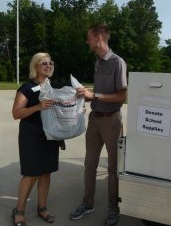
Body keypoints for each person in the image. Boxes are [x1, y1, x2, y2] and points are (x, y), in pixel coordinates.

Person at [70, 23, 127, 226]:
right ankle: (88, 203)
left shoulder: (118, 62)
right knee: (89, 165)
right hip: (94, 119)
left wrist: (94, 95)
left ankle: (113, 209)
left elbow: (122, 95)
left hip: (112, 121)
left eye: (89, 37)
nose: (87, 41)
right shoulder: (97, 62)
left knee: (113, 170)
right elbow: (99, 92)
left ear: (100, 37)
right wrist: (86, 95)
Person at [11, 52, 60, 226]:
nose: (48, 66)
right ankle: (19, 211)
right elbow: (16, 113)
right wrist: (37, 107)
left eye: (50, 63)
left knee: (46, 173)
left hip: (50, 135)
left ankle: (42, 208)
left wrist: (73, 112)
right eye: (44, 63)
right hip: (31, 135)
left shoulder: (53, 87)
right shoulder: (26, 87)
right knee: (30, 175)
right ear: (36, 66)